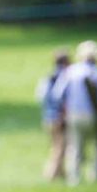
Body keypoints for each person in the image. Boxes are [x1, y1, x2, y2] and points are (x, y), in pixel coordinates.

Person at [52, 40, 97, 186]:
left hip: (75, 114)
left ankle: (75, 178)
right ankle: (95, 176)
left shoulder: (71, 71)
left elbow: (58, 94)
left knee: (76, 146)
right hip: (95, 115)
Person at [35, 49, 70, 181]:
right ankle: (51, 174)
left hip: (47, 117)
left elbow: (40, 97)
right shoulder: (65, 76)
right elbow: (60, 97)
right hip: (59, 117)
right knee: (60, 147)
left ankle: (61, 173)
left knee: (55, 145)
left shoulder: (47, 77)